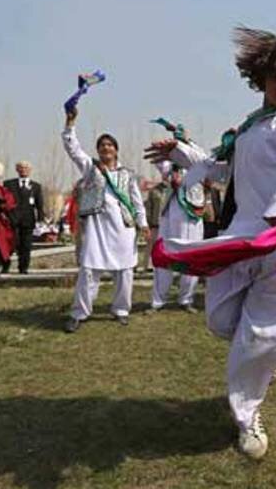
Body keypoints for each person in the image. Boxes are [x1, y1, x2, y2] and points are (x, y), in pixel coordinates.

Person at [143, 27, 276, 459]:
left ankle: (247, 415)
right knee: (220, 322)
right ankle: (265, 359)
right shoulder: (252, 127)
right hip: (240, 237)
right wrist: (181, 151)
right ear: (261, 80)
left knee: (256, 337)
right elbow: (220, 169)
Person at [61, 106, 149, 333]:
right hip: (97, 227)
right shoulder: (91, 168)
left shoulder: (128, 174)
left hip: (123, 228)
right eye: (102, 145)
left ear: (116, 150)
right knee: (89, 270)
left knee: (124, 272)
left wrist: (144, 223)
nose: (105, 148)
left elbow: (137, 201)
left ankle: (121, 310)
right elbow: (73, 149)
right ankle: (79, 313)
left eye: (109, 145)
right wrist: (70, 124)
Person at [148, 132, 205, 314]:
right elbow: (158, 157)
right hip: (170, 214)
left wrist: (187, 140)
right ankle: (158, 300)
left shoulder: (199, 163)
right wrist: (165, 146)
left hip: (192, 213)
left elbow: (202, 158)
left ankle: (186, 299)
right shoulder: (170, 166)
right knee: (165, 254)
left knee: (192, 255)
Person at [3, 161, 44, 274]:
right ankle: (5, 266)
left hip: (28, 221)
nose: (23, 170)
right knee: (9, 245)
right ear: (17, 169)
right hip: (12, 220)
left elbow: (39, 205)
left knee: (26, 246)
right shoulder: (8, 184)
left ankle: (23, 268)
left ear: (30, 170)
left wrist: (41, 220)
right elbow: (4, 201)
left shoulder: (36, 186)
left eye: (26, 168)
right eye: (21, 168)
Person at [141, 178, 165, 272]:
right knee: (151, 244)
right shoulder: (154, 191)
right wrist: (148, 222)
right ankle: (148, 265)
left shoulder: (174, 191)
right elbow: (149, 208)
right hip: (155, 222)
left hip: (169, 223)